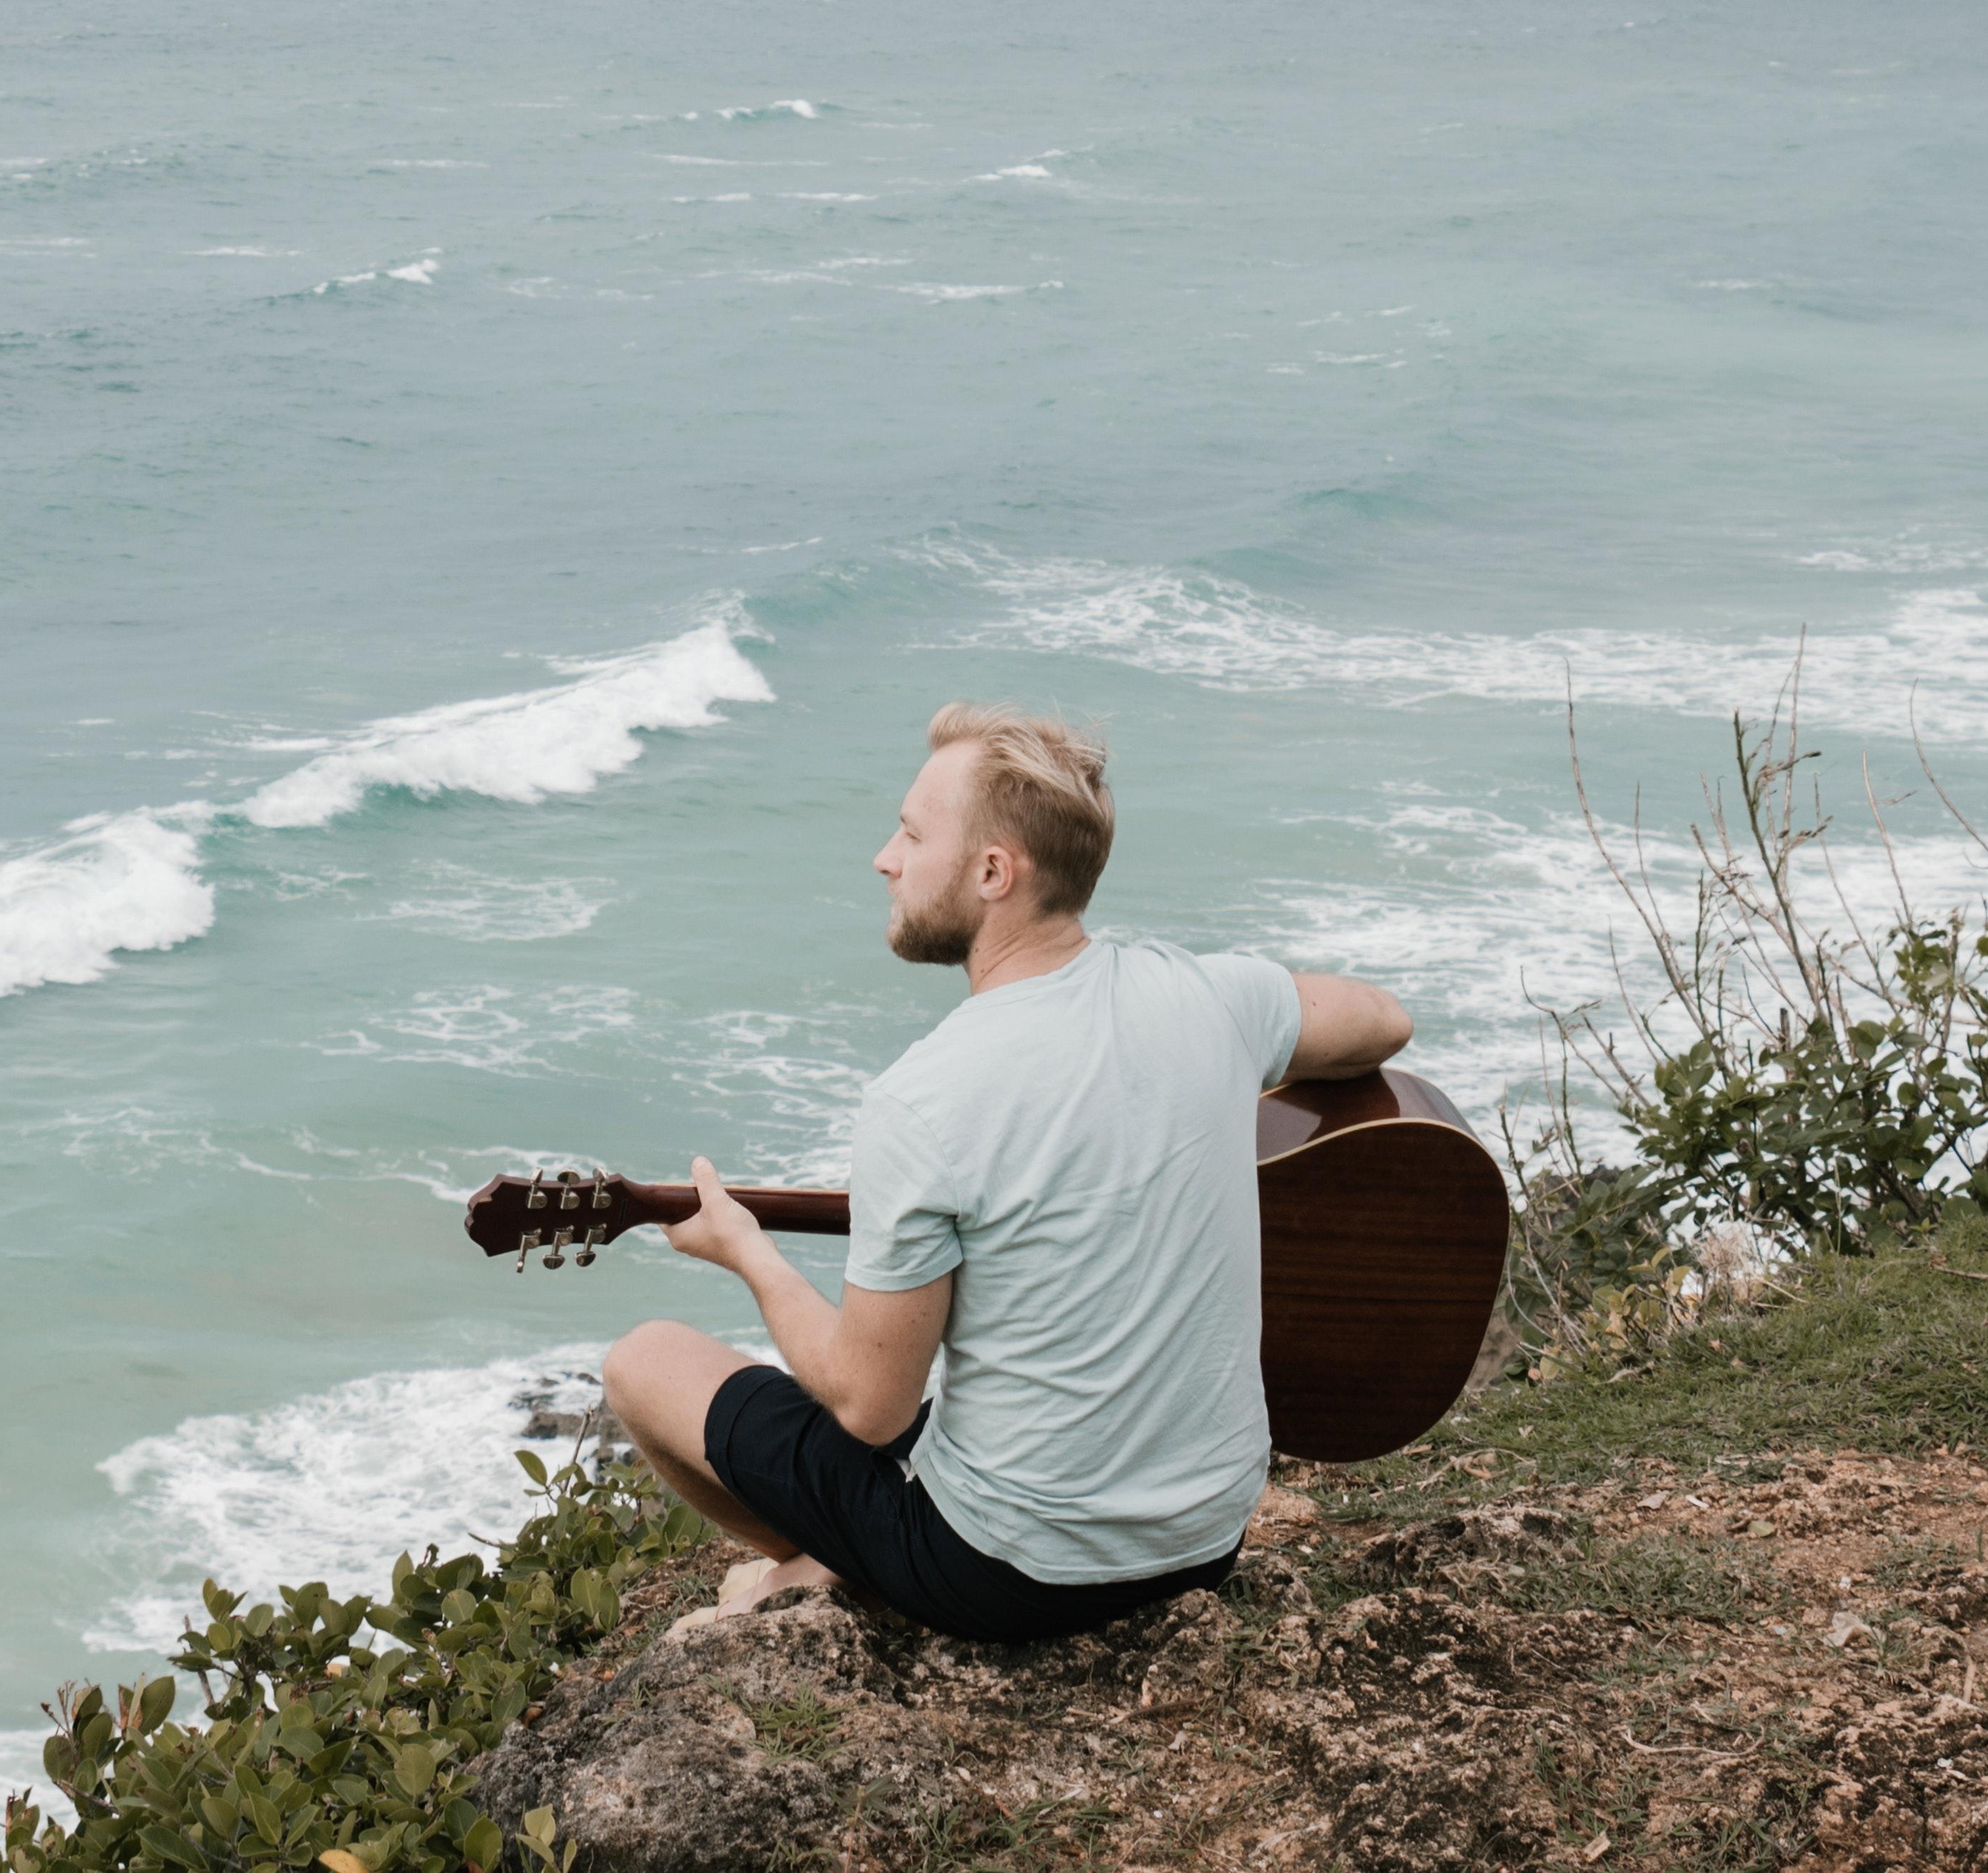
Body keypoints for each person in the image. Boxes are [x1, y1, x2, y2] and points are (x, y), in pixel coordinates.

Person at [598, 704, 1415, 1644]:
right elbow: (1381, 1022)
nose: (884, 857)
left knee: (645, 1359)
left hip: (1012, 1575)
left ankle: (834, 1559)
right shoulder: (1210, 994)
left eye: (910, 833)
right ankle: (837, 1551)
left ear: (994, 872)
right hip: (1204, 1536)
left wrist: (749, 1253)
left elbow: (870, 1408)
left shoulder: (924, 1100)